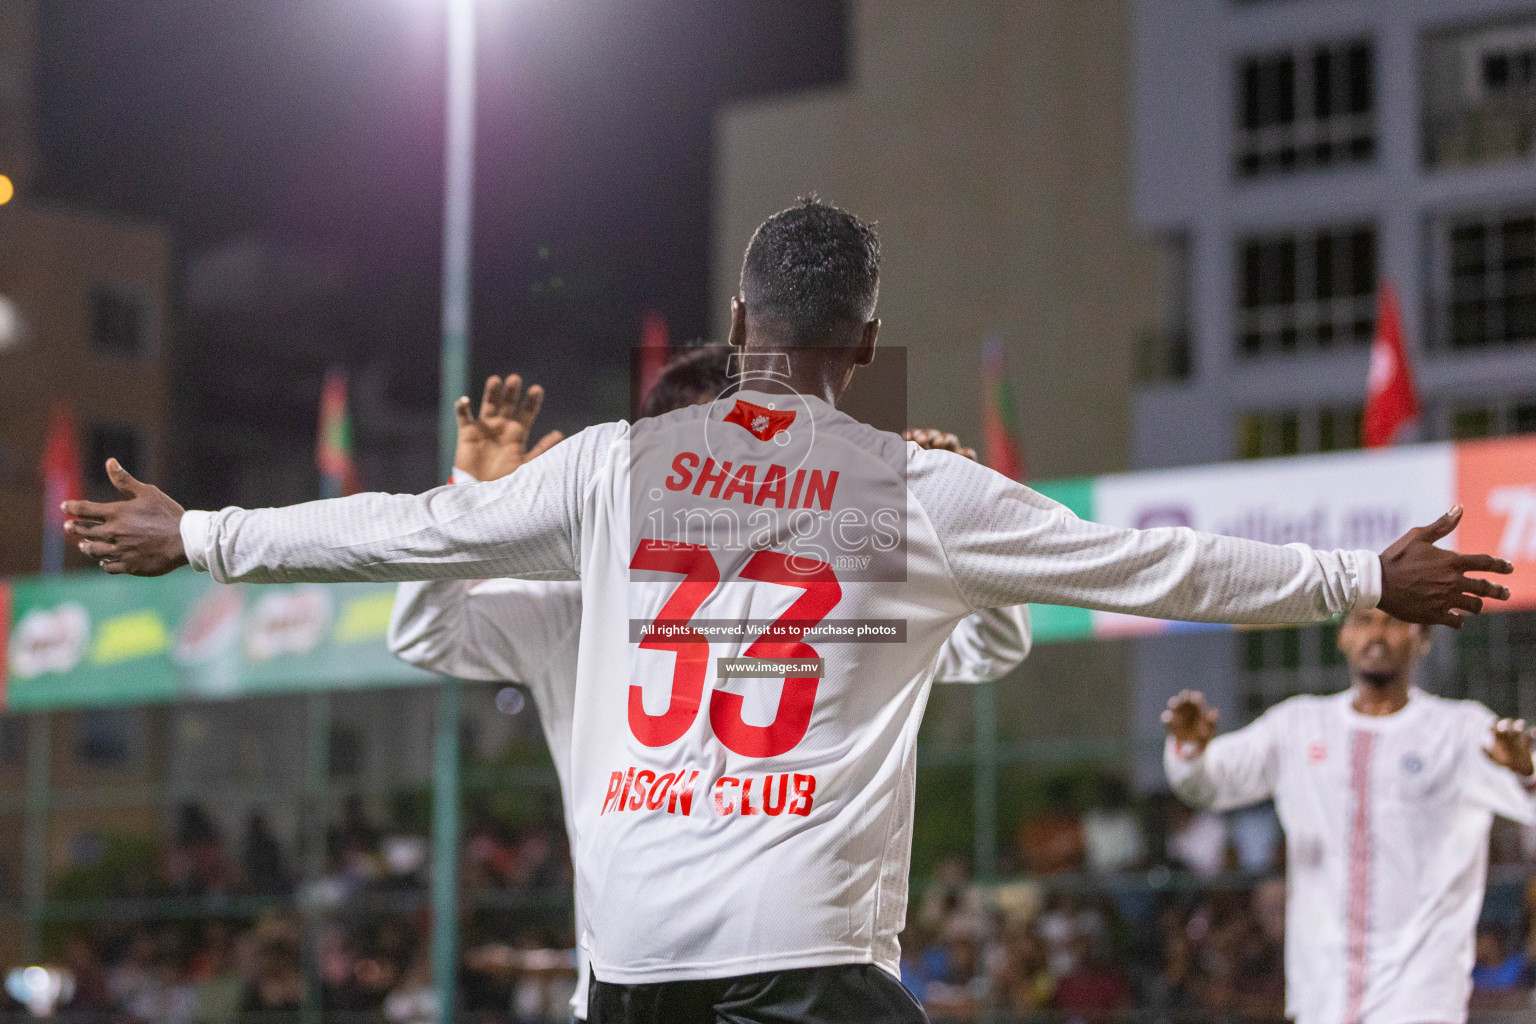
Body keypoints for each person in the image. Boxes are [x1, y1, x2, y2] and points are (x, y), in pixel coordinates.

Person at [65, 197, 1511, 1024]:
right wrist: (1360, 576)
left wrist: (198, 530)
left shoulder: (615, 469)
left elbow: (407, 537)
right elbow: (1158, 567)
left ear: (743, 325)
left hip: (628, 965)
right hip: (804, 952)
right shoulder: (911, 489)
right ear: (866, 345)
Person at [389, 348, 1033, 1021]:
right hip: (634, 981)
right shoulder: (579, 602)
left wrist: (958, 520)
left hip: (785, 974)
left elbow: (989, 646)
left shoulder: (822, 588)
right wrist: (470, 497)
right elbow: (426, 633)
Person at [1162, 606, 1536, 1024]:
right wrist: (1191, 750)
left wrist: (1525, 774)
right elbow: (1208, 785)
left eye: (1395, 621)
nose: (1377, 633)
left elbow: (1529, 797)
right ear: (1341, 636)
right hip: (1324, 992)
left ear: (1423, 638)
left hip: (1421, 994)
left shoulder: (1459, 731)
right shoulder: (1298, 725)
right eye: (1362, 620)